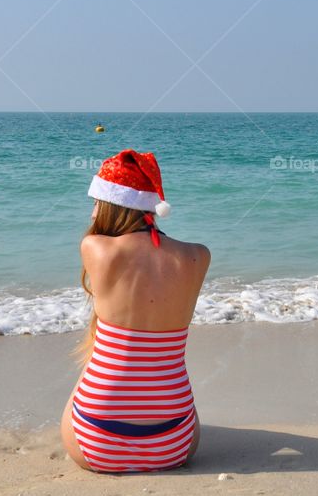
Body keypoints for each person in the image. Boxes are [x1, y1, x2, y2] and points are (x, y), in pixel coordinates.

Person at [61, 148, 211, 474]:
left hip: (95, 443)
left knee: (91, 370)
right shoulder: (198, 256)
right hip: (176, 445)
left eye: (96, 203)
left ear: (112, 204)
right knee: (169, 383)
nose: (91, 214)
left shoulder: (95, 248)